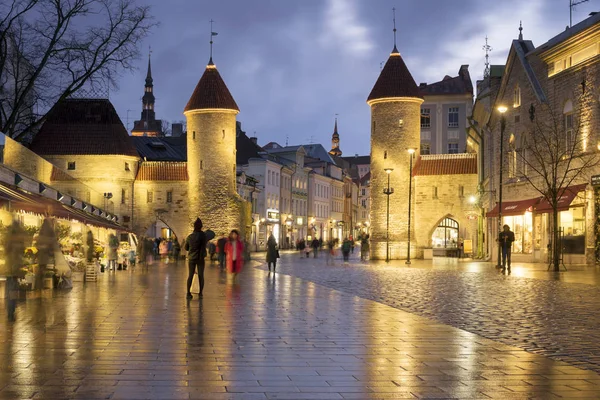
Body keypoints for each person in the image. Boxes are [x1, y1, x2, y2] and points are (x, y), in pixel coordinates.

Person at [184, 218, 207, 299]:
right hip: (200, 258)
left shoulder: (190, 237)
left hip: (191, 258)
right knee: (201, 275)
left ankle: (188, 293)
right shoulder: (203, 236)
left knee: (190, 275)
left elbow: (186, 248)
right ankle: (200, 293)